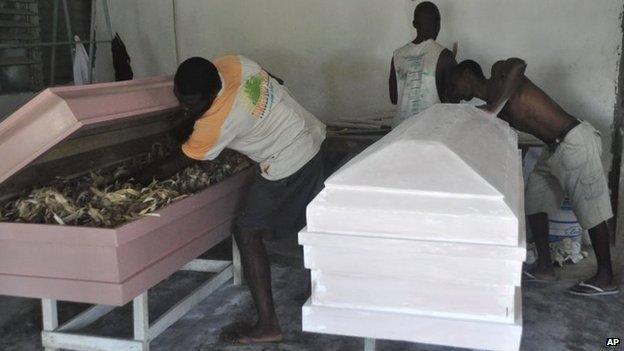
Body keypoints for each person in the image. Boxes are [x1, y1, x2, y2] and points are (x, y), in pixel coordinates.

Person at [141, 55, 327, 342]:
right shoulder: (234, 63)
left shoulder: (217, 122)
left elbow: (170, 167)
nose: (183, 108)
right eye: (180, 99)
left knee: (247, 231)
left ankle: (268, 325)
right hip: (311, 133)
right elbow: (277, 80)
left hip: (288, 159)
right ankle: (326, 289)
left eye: (191, 104)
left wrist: (130, 178)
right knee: (311, 219)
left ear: (213, 95)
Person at [447, 58, 618, 296]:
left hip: (575, 140)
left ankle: (606, 277)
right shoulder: (490, 105)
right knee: (535, 199)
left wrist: (493, 108)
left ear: (466, 74)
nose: (452, 88)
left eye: (453, 82)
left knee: (591, 208)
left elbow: (518, 65)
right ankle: (545, 267)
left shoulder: (499, 73)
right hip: (553, 150)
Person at [389, 1, 456, 128]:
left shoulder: (397, 55)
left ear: (414, 24)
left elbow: (394, 98)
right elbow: (452, 101)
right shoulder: (445, 56)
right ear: (438, 23)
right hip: (431, 132)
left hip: (399, 132)